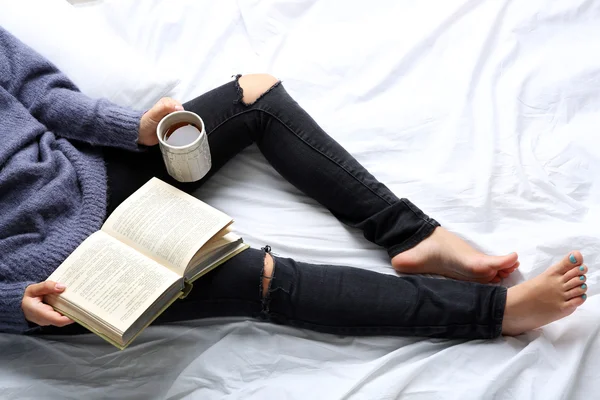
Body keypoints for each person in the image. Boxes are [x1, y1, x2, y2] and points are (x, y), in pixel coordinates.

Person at [0, 26, 588, 342]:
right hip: (53, 278)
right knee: (264, 276)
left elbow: (43, 96)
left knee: (253, 94)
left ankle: (410, 235)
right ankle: (497, 312)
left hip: (90, 177)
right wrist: (9, 305)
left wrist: (137, 128)